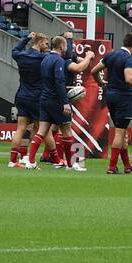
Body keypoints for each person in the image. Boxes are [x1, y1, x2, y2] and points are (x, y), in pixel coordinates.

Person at [25, 35, 96, 171]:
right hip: (56, 100)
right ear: (62, 46)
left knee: (42, 131)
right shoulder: (58, 60)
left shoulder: (45, 59)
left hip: (44, 99)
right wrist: (65, 103)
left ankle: (30, 161)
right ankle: (71, 164)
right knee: (67, 132)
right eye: (66, 46)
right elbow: (59, 81)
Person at [90, 32, 132, 174]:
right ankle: (112, 167)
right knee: (120, 133)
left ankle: (127, 165)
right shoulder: (128, 59)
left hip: (110, 96)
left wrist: (101, 82)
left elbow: (94, 70)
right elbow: (130, 79)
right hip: (122, 97)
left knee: (123, 132)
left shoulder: (111, 55)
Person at [9, 32, 58, 167]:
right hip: (37, 98)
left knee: (21, 128)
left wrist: (27, 38)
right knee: (44, 129)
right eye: (46, 43)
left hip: (22, 95)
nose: (47, 46)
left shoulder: (21, 55)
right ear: (41, 42)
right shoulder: (42, 58)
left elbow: (15, 50)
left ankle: (13, 161)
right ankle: (57, 160)